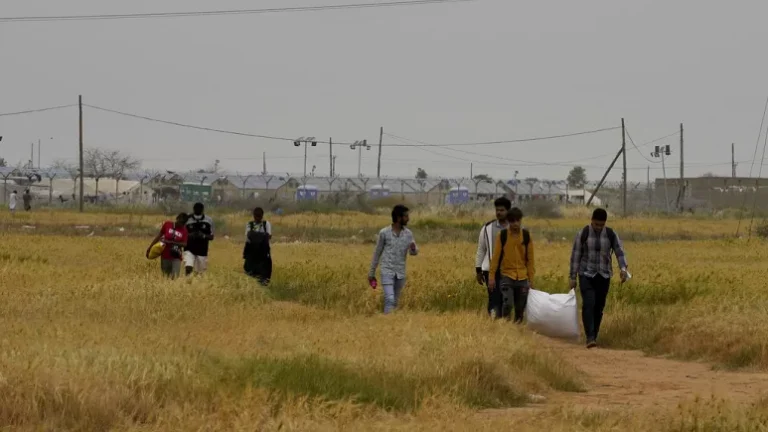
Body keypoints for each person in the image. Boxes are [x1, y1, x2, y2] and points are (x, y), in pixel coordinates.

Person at [569, 208, 629, 349]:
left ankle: (594, 335)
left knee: (599, 307)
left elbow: (619, 252)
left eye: (601, 225)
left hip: (604, 275)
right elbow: (575, 256)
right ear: (592, 221)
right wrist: (572, 276)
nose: (598, 227)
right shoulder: (583, 233)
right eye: (596, 224)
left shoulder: (610, 234)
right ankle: (590, 336)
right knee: (589, 304)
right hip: (586, 274)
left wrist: (623, 268)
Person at [368, 205, 418, 314]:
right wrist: (371, 273)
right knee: (389, 299)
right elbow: (377, 253)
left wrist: (413, 248)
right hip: (387, 271)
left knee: (395, 301)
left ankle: (391, 324)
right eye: (406, 216)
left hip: (400, 273)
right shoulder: (384, 233)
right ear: (398, 217)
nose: (408, 219)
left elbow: (413, 253)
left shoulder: (408, 234)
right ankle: (388, 322)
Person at [488, 207, 534, 323]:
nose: (515, 224)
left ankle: (517, 329)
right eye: (512, 221)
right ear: (508, 222)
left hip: (523, 277)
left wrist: (531, 280)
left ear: (521, 220)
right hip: (507, 276)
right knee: (507, 304)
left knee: (520, 308)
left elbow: (530, 260)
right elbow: (496, 257)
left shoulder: (526, 236)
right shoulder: (502, 236)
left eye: (517, 221)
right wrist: (491, 277)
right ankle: (506, 326)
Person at [475, 197, 511, 319]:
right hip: (490, 271)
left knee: (506, 300)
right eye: (497, 210)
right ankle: (494, 324)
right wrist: (478, 270)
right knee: (494, 299)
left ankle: (505, 324)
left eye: (502, 210)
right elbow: (481, 249)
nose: (499, 213)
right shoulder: (487, 228)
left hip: (509, 271)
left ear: (508, 211)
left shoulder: (514, 228)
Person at [146, 213, 189, 280]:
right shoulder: (167, 224)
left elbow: (184, 244)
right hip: (165, 255)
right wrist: (150, 247)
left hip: (176, 256)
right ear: (177, 219)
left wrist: (172, 242)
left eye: (183, 223)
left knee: (175, 277)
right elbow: (159, 236)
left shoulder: (184, 231)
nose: (181, 224)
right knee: (166, 277)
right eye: (181, 222)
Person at [243, 207, 272, 286]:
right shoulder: (249, 224)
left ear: (262, 216)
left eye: (259, 216)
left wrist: (255, 236)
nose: (258, 218)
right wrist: (262, 236)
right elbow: (248, 235)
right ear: (254, 216)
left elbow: (269, 236)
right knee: (250, 276)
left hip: (263, 255)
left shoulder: (266, 224)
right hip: (252, 254)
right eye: (256, 216)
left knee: (264, 276)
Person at [184, 202, 215, 276]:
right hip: (189, 248)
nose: (197, 210)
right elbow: (182, 233)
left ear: (202, 210)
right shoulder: (188, 219)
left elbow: (212, 237)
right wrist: (190, 235)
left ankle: (197, 285)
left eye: (199, 209)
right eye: (196, 209)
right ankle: (187, 281)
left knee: (200, 273)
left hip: (202, 250)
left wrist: (203, 235)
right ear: (193, 209)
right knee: (188, 267)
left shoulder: (209, 220)